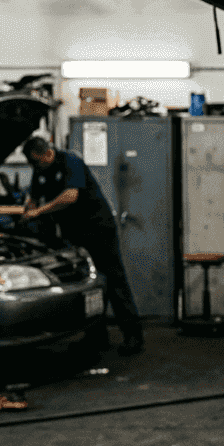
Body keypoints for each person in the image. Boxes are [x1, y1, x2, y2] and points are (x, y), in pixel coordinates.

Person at [21, 137, 144, 355]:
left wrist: (39, 211)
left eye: (37, 162)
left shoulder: (70, 162)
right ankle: (96, 337)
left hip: (98, 229)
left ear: (46, 154)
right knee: (89, 285)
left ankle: (133, 336)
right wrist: (28, 208)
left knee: (114, 280)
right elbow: (34, 196)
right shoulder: (39, 169)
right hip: (75, 234)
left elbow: (70, 196)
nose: (35, 167)